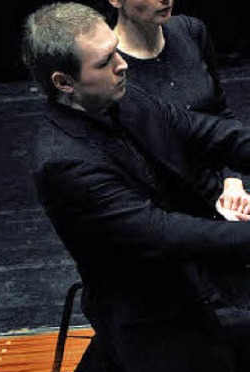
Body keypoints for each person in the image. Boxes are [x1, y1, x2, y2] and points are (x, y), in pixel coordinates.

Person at [21, 2, 250, 372]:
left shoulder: (121, 99)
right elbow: (163, 233)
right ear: (64, 82)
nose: (123, 65)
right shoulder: (63, 162)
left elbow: (212, 133)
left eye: (116, 51)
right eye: (106, 61)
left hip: (199, 280)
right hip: (159, 321)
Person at [107, 0, 250, 217]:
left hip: (221, 195)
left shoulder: (190, 30)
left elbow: (219, 113)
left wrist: (232, 182)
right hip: (164, 215)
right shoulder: (107, 66)